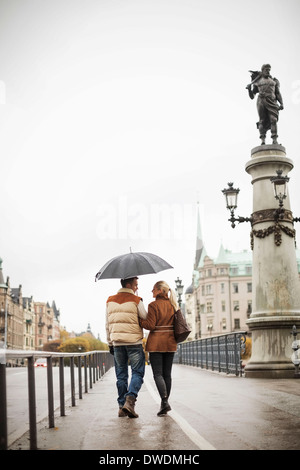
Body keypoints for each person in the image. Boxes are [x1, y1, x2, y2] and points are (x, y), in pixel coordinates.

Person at [106, 277, 147, 418]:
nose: (137, 288)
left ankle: (121, 406)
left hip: (117, 342)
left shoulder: (110, 300)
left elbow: (107, 325)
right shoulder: (136, 300)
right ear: (129, 284)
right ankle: (130, 401)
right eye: (136, 285)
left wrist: (109, 343)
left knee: (121, 376)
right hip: (134, 342)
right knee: (138, 372)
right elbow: (145, 317)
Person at [140, 280, 178, 416]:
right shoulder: (173, 305)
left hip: (156, 343)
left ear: (159, 290)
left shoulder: (153, 305)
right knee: (167, 374)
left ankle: (164, 401)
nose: (152, 291)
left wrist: (139, 321)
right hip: (170, 342)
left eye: (153, 289)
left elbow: (150, 325)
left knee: (158, 374)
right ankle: (164, 404)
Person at [246, 64, 284, 145]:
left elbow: (277, 93)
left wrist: (281, 103)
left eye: (269, 69)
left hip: (272, 101)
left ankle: (275, 140)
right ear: (262, 70)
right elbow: (252, 96)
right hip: (261, 101)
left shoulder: (274, 81)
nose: (268, 71)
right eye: (266, 69)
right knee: (262, 121)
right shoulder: (257, 82)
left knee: (273, 119)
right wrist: (249, 90)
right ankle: (263, 140)